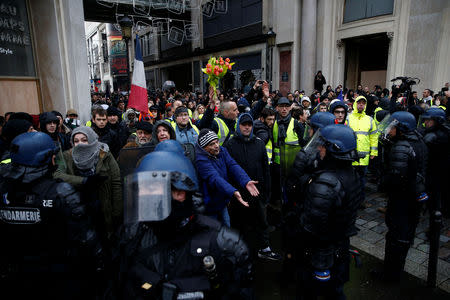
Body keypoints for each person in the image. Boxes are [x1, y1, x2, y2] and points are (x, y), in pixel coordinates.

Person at [115, 143, 254, 299]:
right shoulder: (133, 237)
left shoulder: (225, 245)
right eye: (143, 190)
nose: (144, 197)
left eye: (152, 189)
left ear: (180, 193)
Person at [0, 132, 102, 298]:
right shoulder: (61, 192)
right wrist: (99, 264)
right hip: (60, 275)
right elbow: (86, 237)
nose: (55, 159)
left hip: (18, 276)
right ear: (45, 159)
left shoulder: (4, 190)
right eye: (53, 156)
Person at [296, 124, 362, 299]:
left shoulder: (326, 183)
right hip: (341, 245)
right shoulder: (352, 174)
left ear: (334, 149)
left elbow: (311, 226)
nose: (319, 148)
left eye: (323, 145)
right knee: (336, 290)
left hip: (322, 252)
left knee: (317, 292)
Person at [375, 111, 428, 282]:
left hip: (402, 200)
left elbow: (395, 178)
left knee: (396, 238)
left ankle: (390, 275)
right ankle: (395, 271)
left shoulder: (401, 146)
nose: (389, 130)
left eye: (392, 127)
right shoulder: (418, 140)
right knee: (404, 237)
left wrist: (383, 183)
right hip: (412, 198)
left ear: (401, 129)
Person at [224, 113, 281, 261]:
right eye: (244, 124)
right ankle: (239, 251)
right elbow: (227, 170)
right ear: (239, 126)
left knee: (262, 221)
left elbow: (265, 168)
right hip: (239, 193)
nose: (247, 127)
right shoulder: (230, 144)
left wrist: (267, 191)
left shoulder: (259, 143)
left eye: (249, 124)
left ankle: (265, 248)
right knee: (239, 223)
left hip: (258, 192)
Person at [54, 126, 123, 243]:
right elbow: (57, 174)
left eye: (84, 140)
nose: (80, 143)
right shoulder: (66, 156)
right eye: (76, 141)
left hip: (103, 208)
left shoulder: (104, 154)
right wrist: (83, 181)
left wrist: (117, 211)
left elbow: (116, 182)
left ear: (91, 140)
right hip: (80, 209)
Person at [195, 129, 259, 227]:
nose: (217, 145)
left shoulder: (222, 151)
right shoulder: (200, 160)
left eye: (217, 141)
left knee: (226, 229)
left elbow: (232, 165)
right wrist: (232, 191)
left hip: (222, 200)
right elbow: (214, 178)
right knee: (212, 234)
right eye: (212, 144)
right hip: (209, 205)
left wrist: (246, 181)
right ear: (204, 147)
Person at [347, 95, 378, 208]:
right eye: (359, 102)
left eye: (363, 103)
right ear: (355, 104)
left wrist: (373, 152)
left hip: (364, 157)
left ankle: (360, 201)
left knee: (362, 180)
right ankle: (350, 201)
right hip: (351, 155)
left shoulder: (369, 120)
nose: (361, 105)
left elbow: (374, 136)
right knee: (350, 180)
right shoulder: (348, 118)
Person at [421, 108, 450, 217]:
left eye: (429, 120)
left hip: (437, 171)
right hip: (437, 170)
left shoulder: (437, 136)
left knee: (436, 195)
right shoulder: (440, 131)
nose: (425, 123)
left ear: (437, 121)